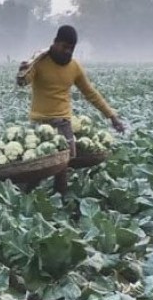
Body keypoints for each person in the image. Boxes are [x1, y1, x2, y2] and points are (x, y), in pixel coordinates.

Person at [16, 25, 125, 196]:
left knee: (63, 163)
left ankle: (61, 196)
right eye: (64, 47)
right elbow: (24, 81)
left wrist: (112, 116)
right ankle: (27, 194)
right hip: (39, 121)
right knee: (37, 164)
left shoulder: (74, 67)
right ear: (55, 43)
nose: (67, 51)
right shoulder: (40, 61)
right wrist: (22, 71)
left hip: (63, 121)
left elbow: (91, 93)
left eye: (71, 48)